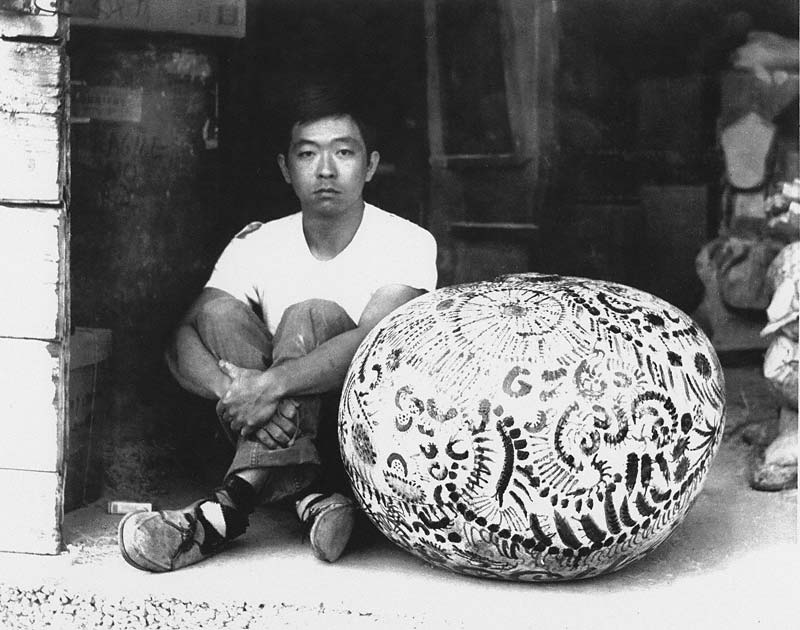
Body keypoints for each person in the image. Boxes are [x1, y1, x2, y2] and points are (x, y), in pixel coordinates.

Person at [117, 83, 438, 572]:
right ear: (286, 169)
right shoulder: (257, 242)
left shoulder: (407, 241)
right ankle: (312, 496)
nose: (325, 170)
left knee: (309, 313)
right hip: (261, 419)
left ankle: (229, 507)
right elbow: (182, 338)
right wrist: (235, 392)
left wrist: (266, 388)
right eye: (308, 154)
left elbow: (374, 343)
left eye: (344, 153)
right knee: (217, 314)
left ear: (369, 165)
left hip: (356, 440)